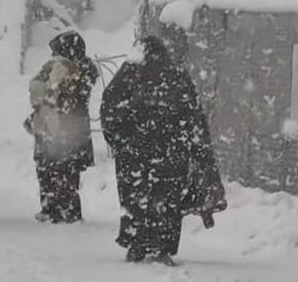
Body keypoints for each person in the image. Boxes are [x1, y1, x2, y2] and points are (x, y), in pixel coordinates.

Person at [100, 36, 227, 266]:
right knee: (167, 200)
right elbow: (193, 116)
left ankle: (136, 244)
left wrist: (120, 141)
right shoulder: (175, 75)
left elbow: (109, 108)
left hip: (134, 154)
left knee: (135, 197)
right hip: (170, 152)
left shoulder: (128, 74)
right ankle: (162, 246)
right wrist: (195, 148)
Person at [24, 31, 98, 223]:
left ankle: (65, 210)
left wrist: (52, 92)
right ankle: (53, 207)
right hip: (61, 127)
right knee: (51, 169)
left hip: (66, 128)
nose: (53, 56)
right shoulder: (67, 69)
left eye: (57, 52)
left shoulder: (78, 71)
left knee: (62, 170)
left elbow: (63, 97)